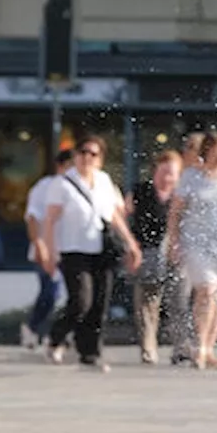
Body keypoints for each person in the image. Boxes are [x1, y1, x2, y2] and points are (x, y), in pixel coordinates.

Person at [41, 135, 143, 373]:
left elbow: (115, 216)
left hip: (102, 251)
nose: (87, 157)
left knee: (99, 303)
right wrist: (47, 250)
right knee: (80, 301)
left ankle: (90, 353)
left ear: (100, 159)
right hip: (73, 250)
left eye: (93, 154)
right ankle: (56, 337)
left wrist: (131, 244)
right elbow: (49, 220)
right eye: (82, 152)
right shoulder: (62, 184)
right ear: (75, 156)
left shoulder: (105, 181)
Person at [168, 132, 217, 370]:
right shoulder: (191, 177)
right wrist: (174, 242)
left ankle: (210, 348)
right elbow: (175, 212)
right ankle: (200, 346)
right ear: (208, 151)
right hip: (196, 244)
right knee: (207, 288)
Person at [125, 150, 183, 364]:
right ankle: (148, 348)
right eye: (164, 171)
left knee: (178, 302)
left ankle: (180, 347)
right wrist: (130, 247)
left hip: (175, 253)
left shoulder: (182, 195)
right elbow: (123, 217)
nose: (168, 177)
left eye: (172, 173)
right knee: (147, 303)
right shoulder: (140, 191)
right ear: (155, 171)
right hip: (146, 252)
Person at [21, 149, 74, 349]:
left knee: (73, 295)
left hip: (70, 249)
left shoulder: (79, 187)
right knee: (50, 293)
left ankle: (60, 333)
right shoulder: (43, 187)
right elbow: (32, 217)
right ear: (60, 166)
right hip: (46, 249)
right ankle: (33, 328)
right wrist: (39, 244)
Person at [166, 132, 206, 366]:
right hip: (184, 246)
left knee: (202, 296)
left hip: (207, 249)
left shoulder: (212, 177)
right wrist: (174, 243)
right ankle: (182, 344)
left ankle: (199, 345)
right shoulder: (185, 177)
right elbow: (174, 213)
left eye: (197, 150)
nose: (192, 154)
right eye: (190, 149)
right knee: (180, 296)